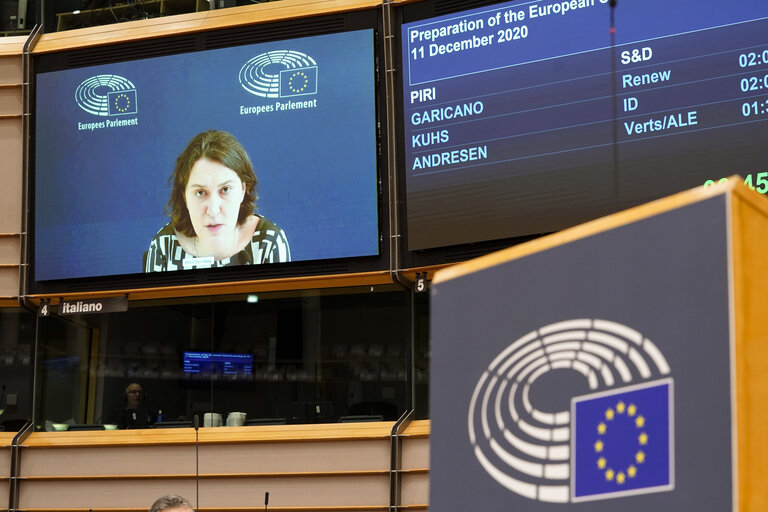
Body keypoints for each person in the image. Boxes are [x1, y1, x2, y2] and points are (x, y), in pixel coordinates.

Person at [145, 130, 290, 272]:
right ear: (185, 197)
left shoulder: (268, 242)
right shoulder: (164, 246)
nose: (213, 210)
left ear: (242, 190)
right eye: (200, 192)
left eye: (225, 189)